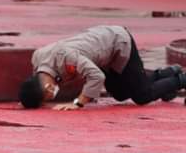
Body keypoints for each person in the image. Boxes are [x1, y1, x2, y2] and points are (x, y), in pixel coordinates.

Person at [19, 25, 186, 110]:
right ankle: (169, 73)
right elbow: (36, 82)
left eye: (48, 98)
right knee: (121, 94)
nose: (52, 98)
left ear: (49, 88)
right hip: (104, 54)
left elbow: (97, 76)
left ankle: (181, 79)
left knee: (142, 96)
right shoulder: (38, 59)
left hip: (118, 41)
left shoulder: (67, 57)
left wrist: (78, 103)